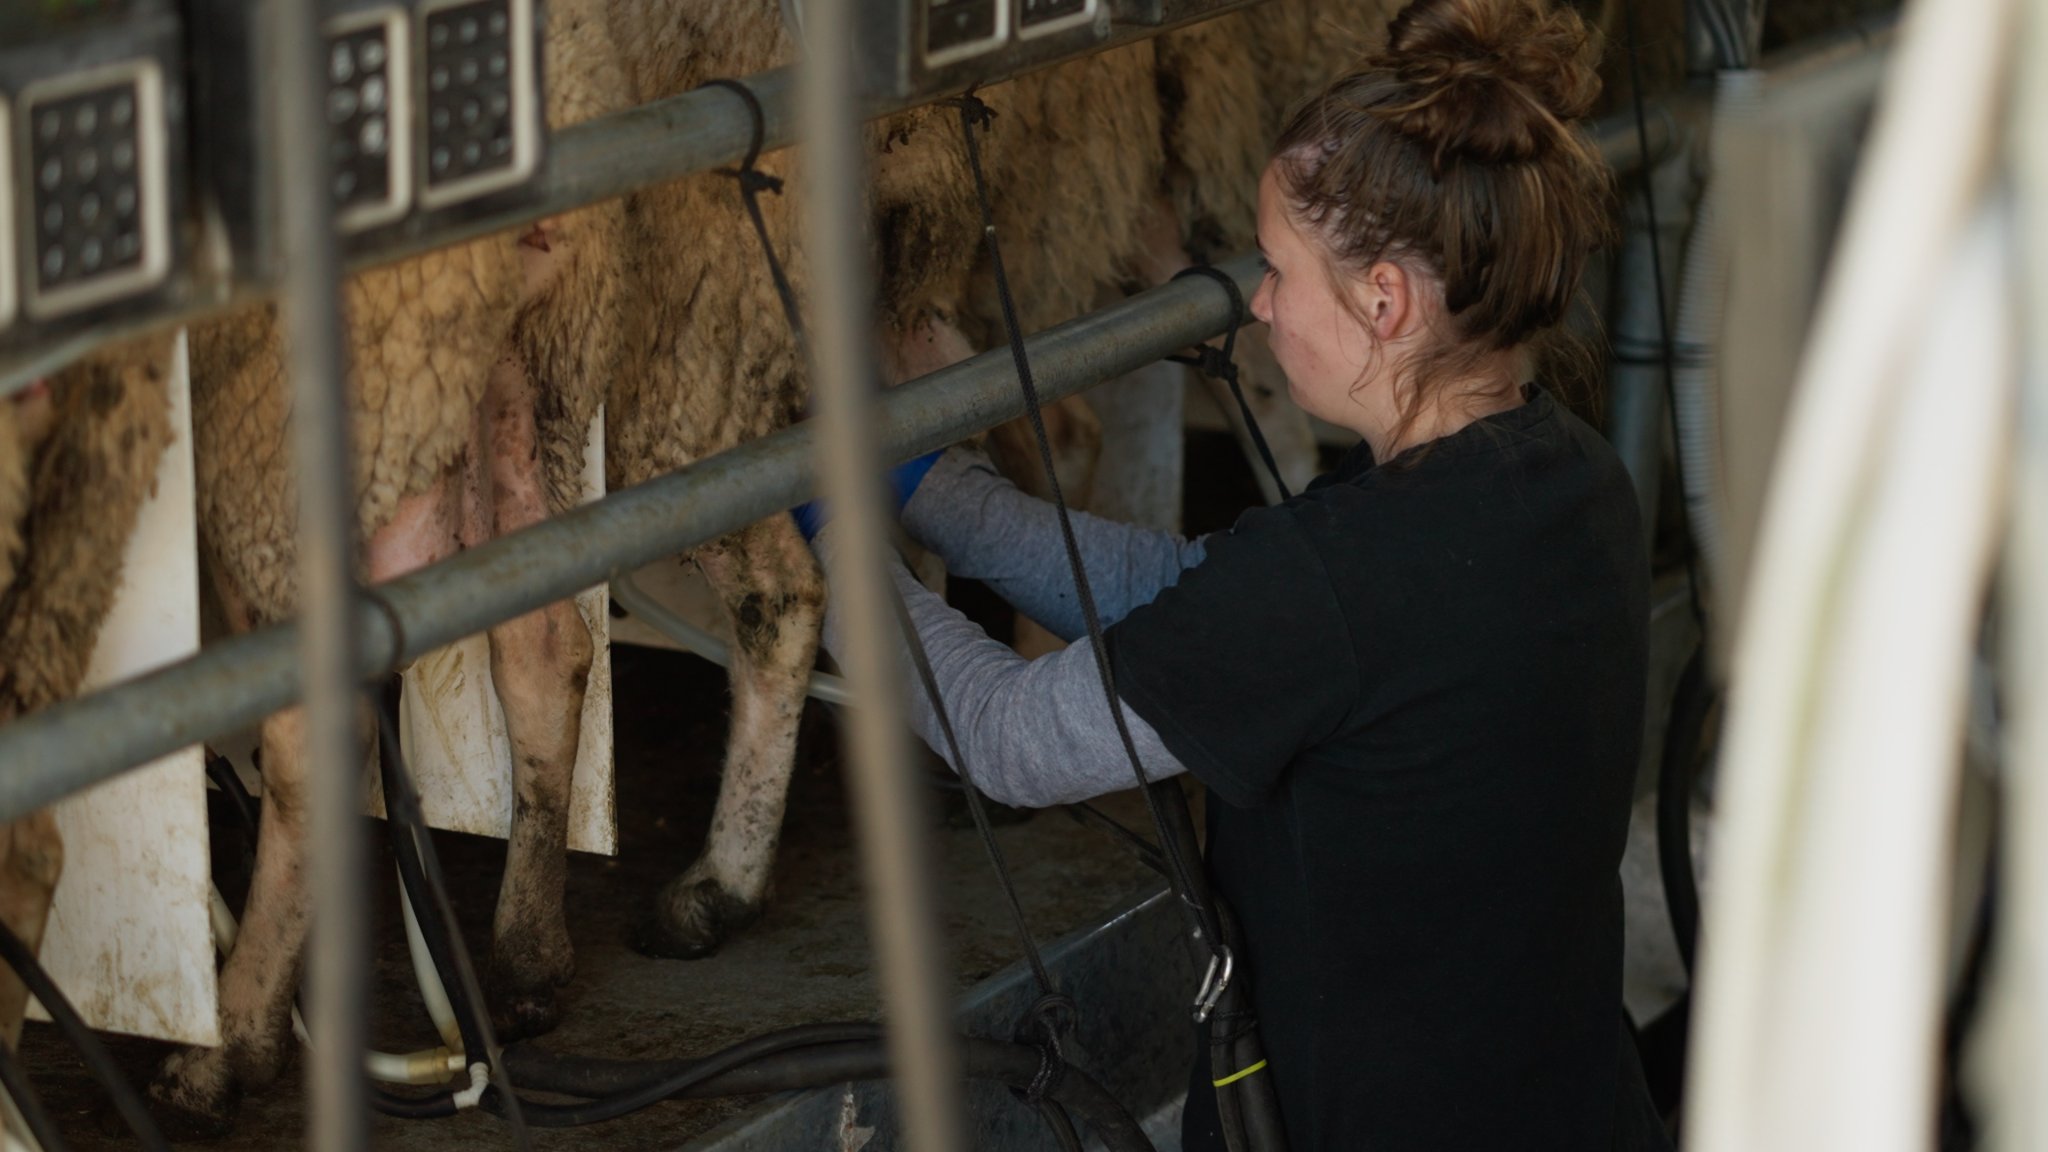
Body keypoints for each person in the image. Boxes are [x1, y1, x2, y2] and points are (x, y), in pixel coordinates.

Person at [802, 0, 1668, 1144]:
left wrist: (821, 551)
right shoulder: (1571, 480)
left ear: (1382, 299)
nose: (1254, 303)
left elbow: (1009, 737)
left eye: (1274, 268)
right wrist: (930, 488)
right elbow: (1196, 594)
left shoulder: (1335, 581)